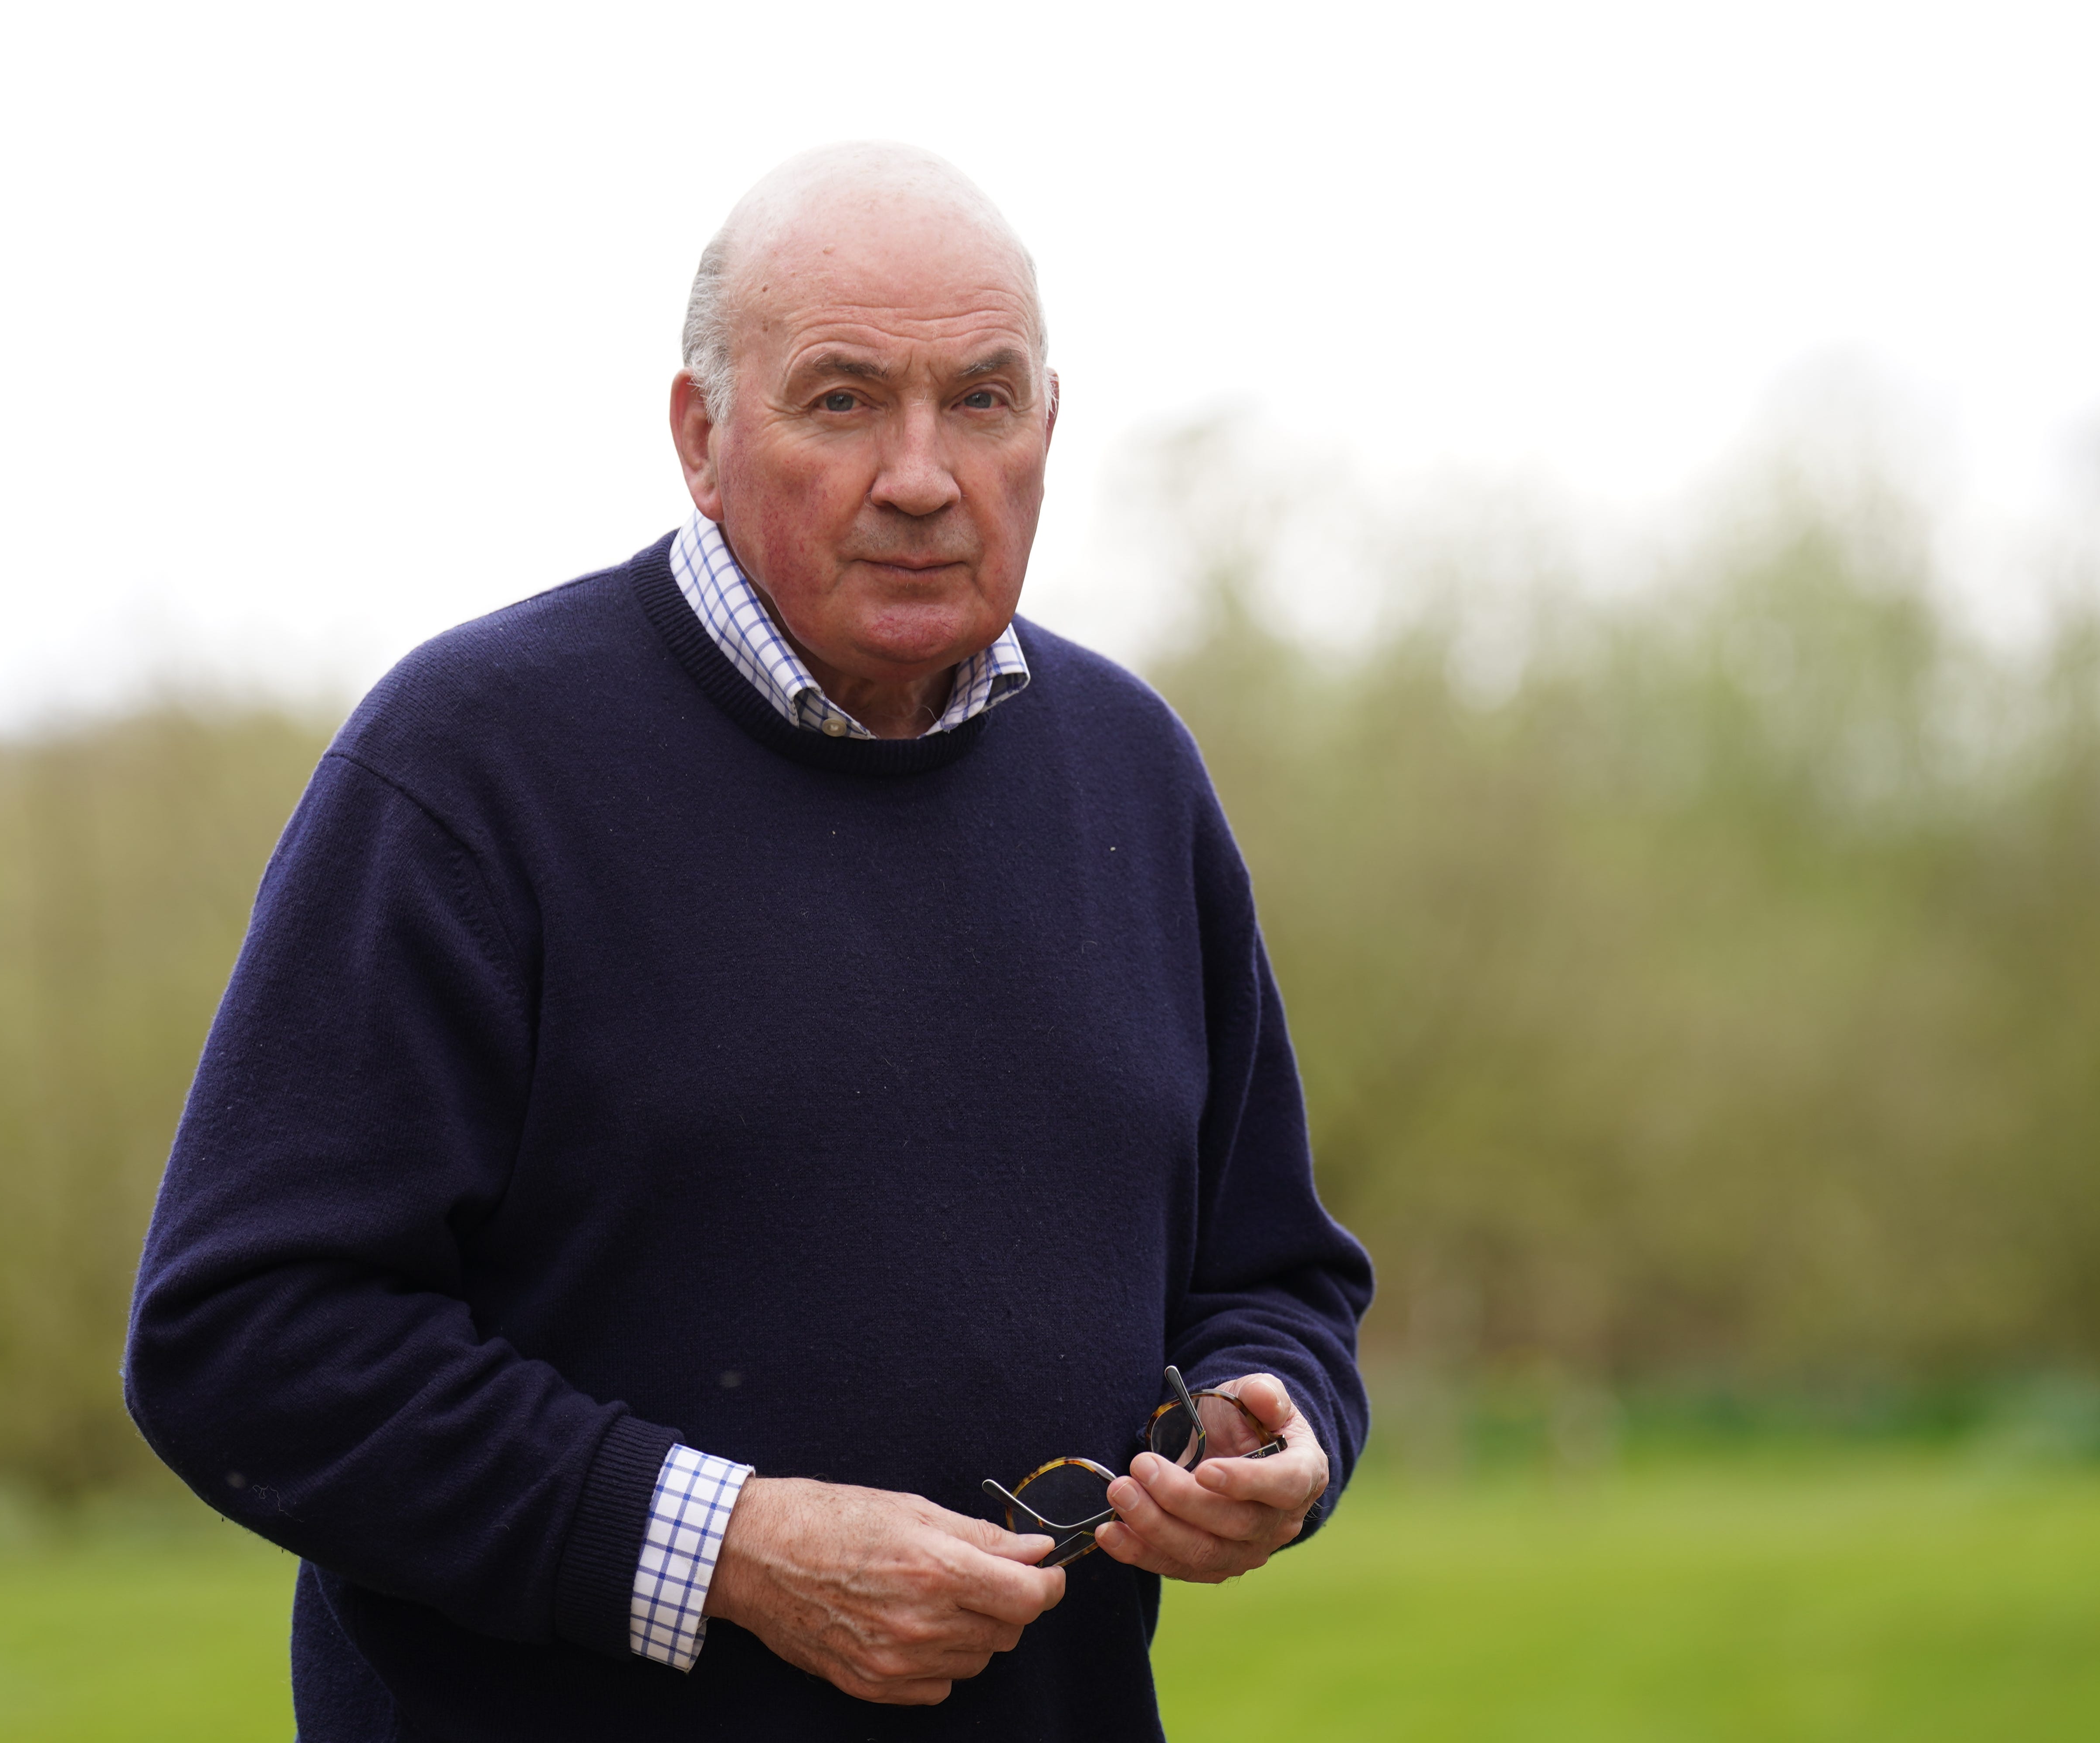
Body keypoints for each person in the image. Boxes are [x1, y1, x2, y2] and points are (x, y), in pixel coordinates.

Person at [124, 141, 1373, 1741]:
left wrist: (1279, 1422)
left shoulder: (1134, 772)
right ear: (703, 437)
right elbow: (245, 1343)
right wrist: (726, 1549)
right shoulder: (471, 766)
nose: (923, 475)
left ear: (1049, 431)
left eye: (982, 402)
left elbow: (1270, 1270)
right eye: (844, 401)